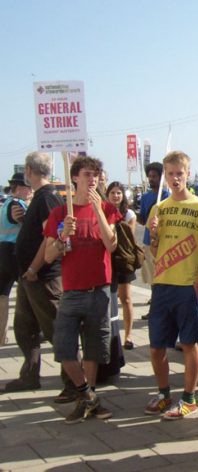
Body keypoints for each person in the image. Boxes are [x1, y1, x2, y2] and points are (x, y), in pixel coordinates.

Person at [44, 156, 121, 424]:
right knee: (64, 347)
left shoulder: (108, 209)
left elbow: (111, 245)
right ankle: (87, 395)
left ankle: (88, 399)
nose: (92, 179)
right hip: (73, 290)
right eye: (87, 174)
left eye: (96, 175)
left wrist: (98, 209)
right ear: (74, 177)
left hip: (98, 289)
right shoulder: (59, 213)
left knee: (94, 349)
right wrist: (63, 235)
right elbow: (48, 255)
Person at [143, 151, 198, 419]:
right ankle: (163, 394)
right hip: (162, 284)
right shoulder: (158, 208)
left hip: (186, 287)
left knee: (188, 343)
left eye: (179, 174)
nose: (175, 179)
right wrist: (154, 236)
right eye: (170, 174)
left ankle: (189, 398)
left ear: (187, 174)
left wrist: (197, 284)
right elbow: (154, 250)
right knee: (156, 346)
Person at [4, 152, 74, 401]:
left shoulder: (47, 198)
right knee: (24, 328)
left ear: (30, 170)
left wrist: (34, 268)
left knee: (56, 330)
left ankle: (74, 382)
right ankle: (30, 374)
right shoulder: (40, 197)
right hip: (28, 276)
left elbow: (51, 239)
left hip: (42, 277)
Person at [0, 173, 32, 345]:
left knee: (2, 295)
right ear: (19, 188)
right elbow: (27, 223)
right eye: (28, 187)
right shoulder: (17, 205)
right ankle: (32, 330)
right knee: (29, 290)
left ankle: (1, 336)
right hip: (14, 253)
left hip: (3, 252)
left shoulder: (5, 204)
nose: (30, 191)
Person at [106, 181, 137, 350]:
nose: (116, 195)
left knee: (125, 298)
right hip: (106, 259)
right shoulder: (102, 210)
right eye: (113, 192)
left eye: (119, 193)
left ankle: (129, 335)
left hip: (123, 259)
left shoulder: (129, 214)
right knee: (108, 299)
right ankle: (110, 334)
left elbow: (130, 237)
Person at [138, 162, 169, 317]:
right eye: (149, 176)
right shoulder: (145, 197)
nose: (151, 179)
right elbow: (143, 220)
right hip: (148, 241)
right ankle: (155, 307)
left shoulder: (166, 196)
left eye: (154, 176)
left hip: (164, 242)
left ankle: (161, 308)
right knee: (152, 278)